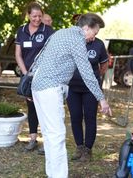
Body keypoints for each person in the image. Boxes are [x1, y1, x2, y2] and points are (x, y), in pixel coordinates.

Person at [31, 13, 112, 177]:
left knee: (48, 134)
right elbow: (87, 72)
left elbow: (39, 58)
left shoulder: (61, 32)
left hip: (38, 86)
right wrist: (101, 99)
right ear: (86, 28)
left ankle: (52, 173)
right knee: (57, 135)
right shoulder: (77, 40)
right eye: (94, 33)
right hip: (50, 88)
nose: (93, 38)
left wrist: (31, 80)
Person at [15, 2, 54, 153]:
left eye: (39, 16)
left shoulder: (48, 30)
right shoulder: (22, 30)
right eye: (34, 16)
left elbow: (52, 54)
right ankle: (32, 138)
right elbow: (18, 54)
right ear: (28, 15)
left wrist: (40, 73)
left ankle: (46, 141)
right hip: (27, 75)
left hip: (43, 76)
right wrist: (26, 74)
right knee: (31, 106)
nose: (37, 19)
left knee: (44, 108)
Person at [67, 34, 109, 162]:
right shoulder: (71, 41)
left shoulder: (98, 44)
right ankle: (79, 147)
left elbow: (104, 65)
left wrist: (95, 78)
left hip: (90, 89)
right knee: (75, 117)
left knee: (90, 118)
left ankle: (88, 150)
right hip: (72, 87)